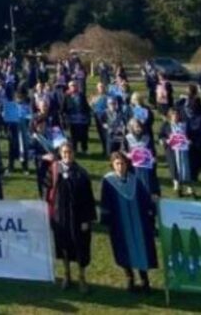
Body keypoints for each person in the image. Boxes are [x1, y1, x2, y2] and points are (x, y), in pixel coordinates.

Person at [100, 152, 158, 293]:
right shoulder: (108, 182)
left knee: (141, 247)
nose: (120, 166)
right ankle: (130, 279)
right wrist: (107, 221)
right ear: (112, 165)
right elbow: (105, 203)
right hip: (120, 223)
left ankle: (145, 280)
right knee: (124, 248)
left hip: (138, 221)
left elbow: (145, 199)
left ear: (127, 164)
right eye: (117, 164)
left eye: (122, 163)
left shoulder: (135, 181)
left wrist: (151, 208)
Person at [44, 143, 96, 293]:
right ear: (60, 153)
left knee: (80, 247)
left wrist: (87, 219)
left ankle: (82, 277)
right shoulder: (54, 170)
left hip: (78, 217)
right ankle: (67, 275)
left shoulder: (81, 173)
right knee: (64, 246)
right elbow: (46, 191)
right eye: (64, 152)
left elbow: (89, 199)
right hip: (60, 215)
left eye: (70, 152)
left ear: (74, 154)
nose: (67, 155)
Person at [159, 109, 196, 198]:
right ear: (169, 116)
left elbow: (190, 134)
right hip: (172, 151)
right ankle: (177, 187)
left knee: (186, 168)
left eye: (177, 115)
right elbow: (161, 136)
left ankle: (189, 188)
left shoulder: (184, 124)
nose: (175, 117)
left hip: (184, 150)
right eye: (173, 115)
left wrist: (190, 140)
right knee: (174, 168)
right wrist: (165, 141)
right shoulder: (166, 125)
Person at [122, 118, 160, 198]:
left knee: (147, 182)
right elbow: (122, 150)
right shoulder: (127, 138)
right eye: (136, 127)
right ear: (131, 128)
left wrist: (154, 157)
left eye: (139, 126)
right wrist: (127, 154)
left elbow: (152, 149)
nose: (138, 128)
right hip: (133, 165)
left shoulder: (147, 137)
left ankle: (147, 195)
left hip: (146, 165)